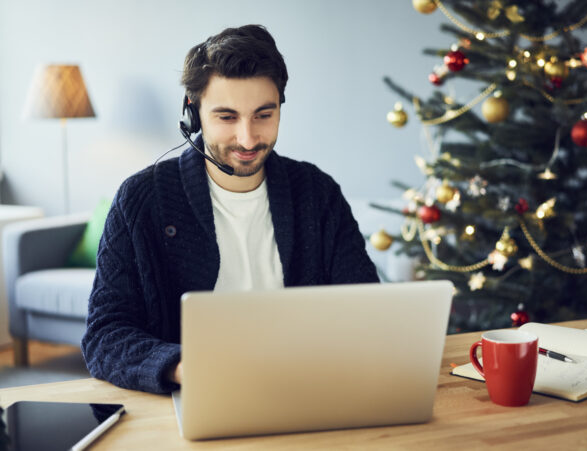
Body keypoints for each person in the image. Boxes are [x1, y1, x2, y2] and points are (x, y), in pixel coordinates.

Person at [81, 25, 379, 394]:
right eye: (227, 117)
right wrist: (183, 367)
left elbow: (367, 308)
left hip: (309, 389)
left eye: (263, 115)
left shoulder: (318, 193)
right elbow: (105, 336)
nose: (248, 138)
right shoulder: (141, 199)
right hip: (198, 397)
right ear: (193, 114)